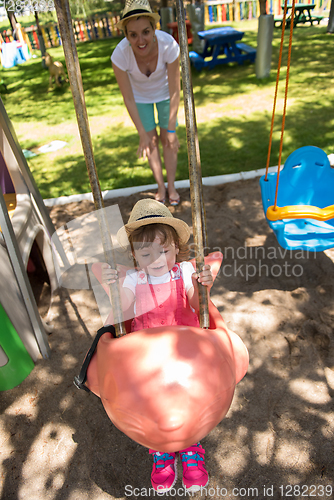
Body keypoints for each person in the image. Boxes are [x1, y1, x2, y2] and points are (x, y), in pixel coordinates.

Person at [99, 198, 213, 493]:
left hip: (183, 354)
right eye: (146, 252)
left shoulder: (185, 272)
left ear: (176, 247)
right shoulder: (133, 280)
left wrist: (203, 287)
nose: (157, 258)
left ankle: (189, 447)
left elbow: (194, 301)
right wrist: (113, 290)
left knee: (187, 401)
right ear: (135, 255)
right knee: (151, 404)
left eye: (164, 250)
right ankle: (160, 449)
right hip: (146, 358)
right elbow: (122, 310)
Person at [111, 0, 181, 206]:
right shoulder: (120, 55)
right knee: (150, 142)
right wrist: (141, 132)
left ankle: (172, 186)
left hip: (166, 95)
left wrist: (171, 128)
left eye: (145, 32)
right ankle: (160, 186)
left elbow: (175, 90)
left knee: (169, 141)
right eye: (133, 35)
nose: (141, 40)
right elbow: (128, 97)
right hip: (139, 99)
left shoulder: (169, 45)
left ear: (154, 29)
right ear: (126, 35)